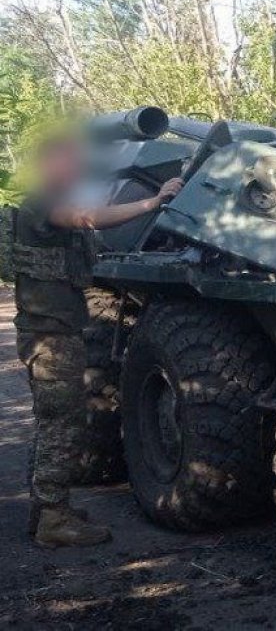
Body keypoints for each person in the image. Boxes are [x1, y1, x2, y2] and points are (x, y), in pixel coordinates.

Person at [12, 132, 183, 548]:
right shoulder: (42, 203)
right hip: (50, 336)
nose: (76, 168)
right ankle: (54, 519)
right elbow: (87, 218)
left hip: (51, 329)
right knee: (61, 425)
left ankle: (48, 510)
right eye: (68, 160)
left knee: (56, 421)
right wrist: (153, 201)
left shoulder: (44, 200)